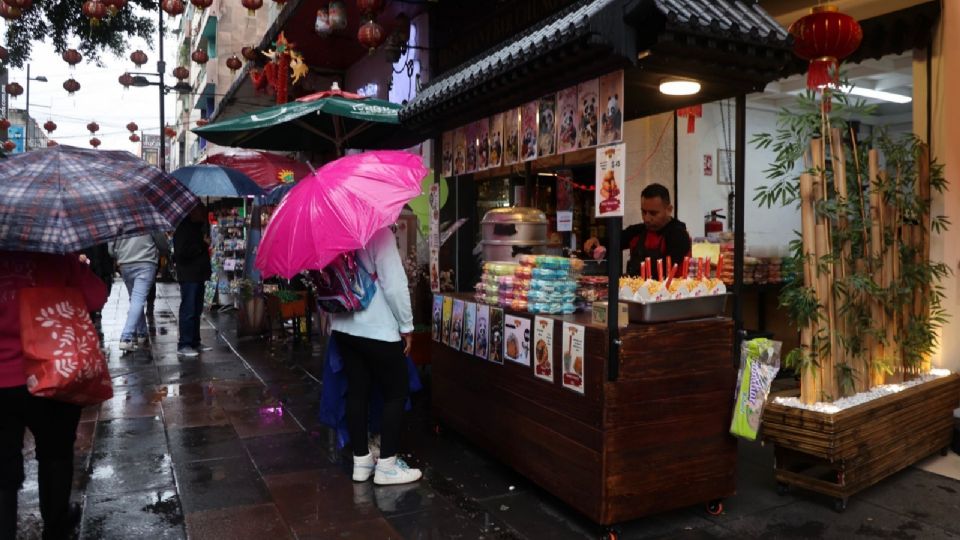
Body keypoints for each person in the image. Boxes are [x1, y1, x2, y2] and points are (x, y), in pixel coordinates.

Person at [0, 251, 108, 539]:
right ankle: (56, 523)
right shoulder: (57, 254)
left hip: (2, 379)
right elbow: (96, 297)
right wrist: (79, 268)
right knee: (56, 450)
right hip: (51, 370)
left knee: (2, 463)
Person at [330, 226, 421, 486]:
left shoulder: (335, 232)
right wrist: (406, 325)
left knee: (357, 392)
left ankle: (361, 461)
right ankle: (387, 467)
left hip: (344, 326)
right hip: (377, 327)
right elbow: (394, 285)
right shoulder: (379, 233)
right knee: (396, 392)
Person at [585, 183, 691, 276]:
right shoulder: (638, 231)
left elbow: (663, 273)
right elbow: (613, 242)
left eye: (653, 213)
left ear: (669, 210)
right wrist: (596, 243)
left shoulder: (679, 236)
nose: (647, 218)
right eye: (644, 212)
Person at [109, 232, 165, 352]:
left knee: (135, 299)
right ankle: (126, 337)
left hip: (125, 264)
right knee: (137, 300)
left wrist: (120, 254)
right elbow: (162, 243)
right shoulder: (148, 221)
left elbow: (110, 249)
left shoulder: (118, 224)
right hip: (146, 262)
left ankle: (142, 333)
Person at [173, 203, 212, 358]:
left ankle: (195, 341)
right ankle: (185, 343)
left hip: (198, 274)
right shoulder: (183, 228)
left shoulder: (197, 227)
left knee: (196, 309)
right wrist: (202, 245)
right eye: (200, 210)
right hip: (189, 274)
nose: (203, 213)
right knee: (189, 309)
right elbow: (182, 252)